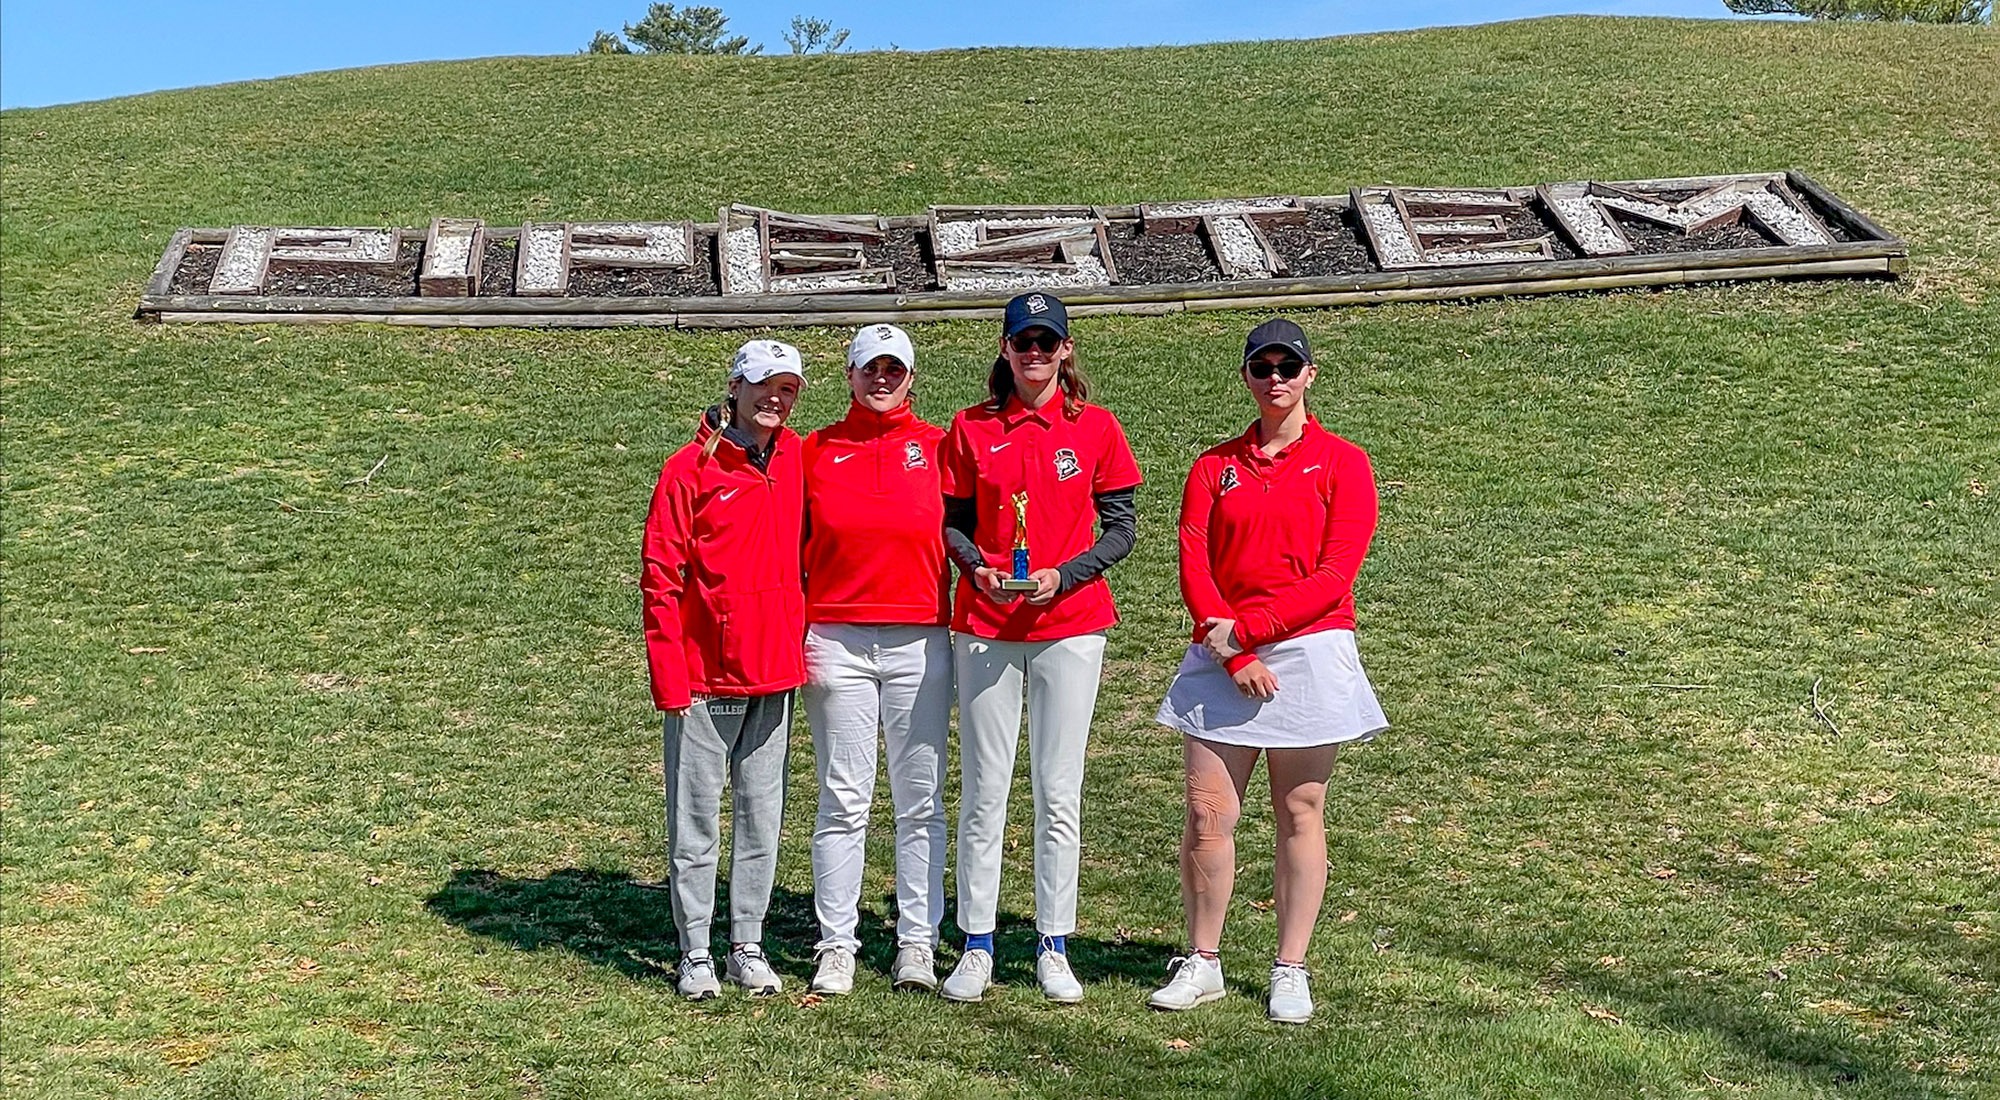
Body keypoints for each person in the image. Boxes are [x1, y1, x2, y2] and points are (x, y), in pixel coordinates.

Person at [1148, 318, 1386, 1024]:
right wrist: (1233, 651)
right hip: (1223, 653)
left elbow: (1335, 572)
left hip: (1309, 650)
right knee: (1206, 815)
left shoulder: (1345, 462)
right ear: (1247, 377)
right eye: (1262, 366)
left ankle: (1290, 967)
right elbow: (1195, 560)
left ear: (1310, 374)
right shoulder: (1212, 465)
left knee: (1299, 811)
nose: (1275, 377)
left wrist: (1249, 633)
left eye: (1289, 365)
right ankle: (1204, 961)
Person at [936, 292, 1142, 1003]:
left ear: (1066, 351)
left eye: (1046, 343)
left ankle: (1054, 942)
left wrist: (1066, 575)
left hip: (1072, 625)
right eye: (1022, 342)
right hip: (987, 625)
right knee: (984, 789)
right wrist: (977, 569)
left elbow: (1121, 528)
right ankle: (978, 942)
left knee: (1059, 789)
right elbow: (951, 524)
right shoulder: (969, 428)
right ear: (1004, 348)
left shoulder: (1097, 429)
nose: (1034, 354)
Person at [641, 339, 808, 1001]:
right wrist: (669, 675)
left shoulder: (798, 458)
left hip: (775, 674)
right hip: (705, 677)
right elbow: (661, 577)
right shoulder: (690, 469)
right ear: (735, 386)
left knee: (762, 819)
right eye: (765, 385)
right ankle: (695, 953)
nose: (776, 398)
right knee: (697, 824)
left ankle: (747, 945)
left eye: (788, 388)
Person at [799, 324, 953, 995]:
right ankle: (837, 945)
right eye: (870, 369)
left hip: (922, 638)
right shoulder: (816, 449)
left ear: (911, 376)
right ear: (850, 374)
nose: (882, 380)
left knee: (920, 801)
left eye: (894, 369)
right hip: (836, 638)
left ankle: (916, 942)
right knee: (843, 798)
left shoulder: (941, 447)